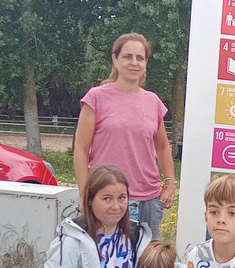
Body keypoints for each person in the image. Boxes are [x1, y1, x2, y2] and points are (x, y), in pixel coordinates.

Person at [74, 33, 177, 237]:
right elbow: (81, 149)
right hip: (107, 197)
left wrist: (170, 183)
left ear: (146, 63)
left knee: (144, 266)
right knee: (107, 262)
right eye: (127, 56)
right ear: (115, 59)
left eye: (140, 58)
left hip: (148, 198)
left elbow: (163, 146)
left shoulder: (153, 101)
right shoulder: (96, 97)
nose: (134, 63)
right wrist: (86, 194)